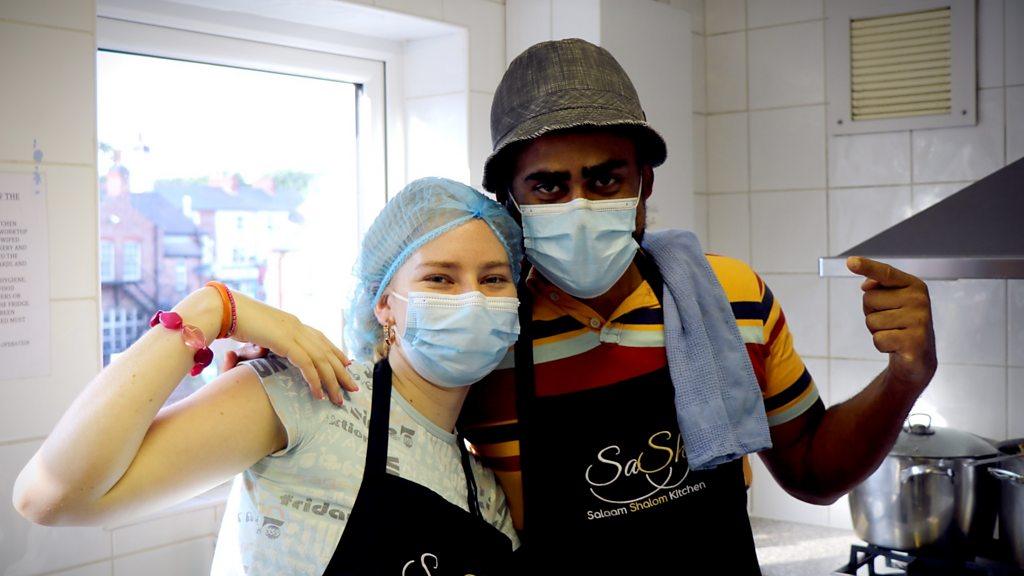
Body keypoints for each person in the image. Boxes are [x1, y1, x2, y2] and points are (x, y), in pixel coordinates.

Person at [457, 38, 937, 573]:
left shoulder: (728, 296)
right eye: (548, 187)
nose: (582, 207)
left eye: (605, 179)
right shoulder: (485, 335)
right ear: (510, 201)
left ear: (645, 181)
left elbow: (813, 471)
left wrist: (905, 376)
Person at [13, 177, 523, 575]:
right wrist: (211, 309)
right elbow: (50, 496)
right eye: (440, 277)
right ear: (385, 303)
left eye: (494, 279)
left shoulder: (485, 488)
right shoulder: (311, 395)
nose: (472, 298)